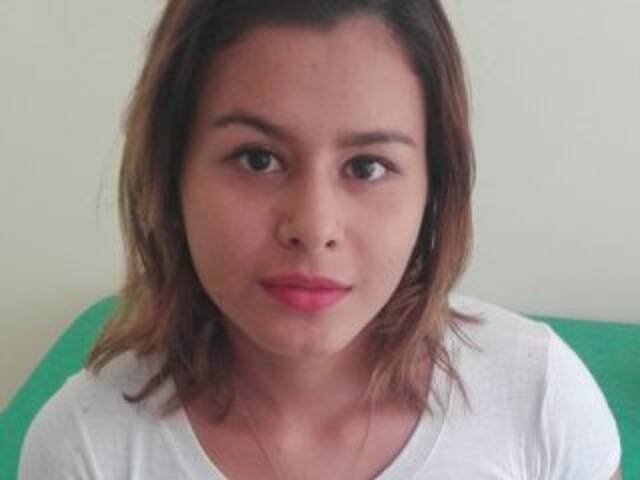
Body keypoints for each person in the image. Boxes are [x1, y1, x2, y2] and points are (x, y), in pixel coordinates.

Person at [19, 1, 621, 478]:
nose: (313, 227)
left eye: (367, 167)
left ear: (435, 187)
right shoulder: (86, 449)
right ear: (172, 172)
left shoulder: (537, 396)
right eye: (257, 159)